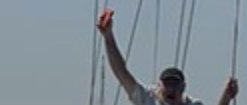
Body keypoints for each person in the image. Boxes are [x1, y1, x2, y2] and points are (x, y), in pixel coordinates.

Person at [97, 8, 238, 105]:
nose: (171, 89)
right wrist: (108, 36)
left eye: (175, 84)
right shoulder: (147, 99)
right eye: (167, 84)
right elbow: (121, 73)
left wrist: (226, 98)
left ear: (183, 88)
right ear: (158, 86)